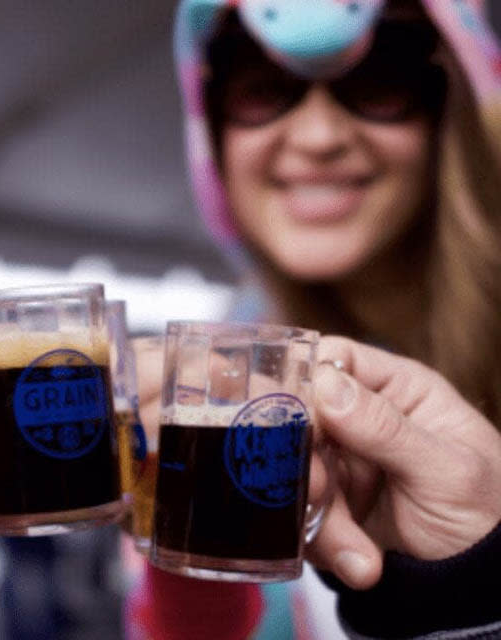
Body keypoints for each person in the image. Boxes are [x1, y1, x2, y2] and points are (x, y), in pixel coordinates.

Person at [126, 0, 501, 638]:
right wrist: (180, 550)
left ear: (453, 111)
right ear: (211, 129)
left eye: (381, 81)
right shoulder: (212, 376)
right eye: (260, 87)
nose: (318, 137)